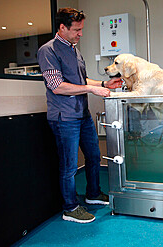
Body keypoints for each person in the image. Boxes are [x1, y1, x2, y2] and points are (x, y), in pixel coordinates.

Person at [37, 7, 122, 223]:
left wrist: (103, 83)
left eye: (81, 29)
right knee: (69, 166)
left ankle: (93, 194)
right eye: (77, 30)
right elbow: (57, 86)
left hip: (81, 115)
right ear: (62, 27)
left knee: (93, 156)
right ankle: (70, 208)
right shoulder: (49, 51)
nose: (80, 34)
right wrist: (92, 90)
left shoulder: (74, 49)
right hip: (64, 118)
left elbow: (81, 81)